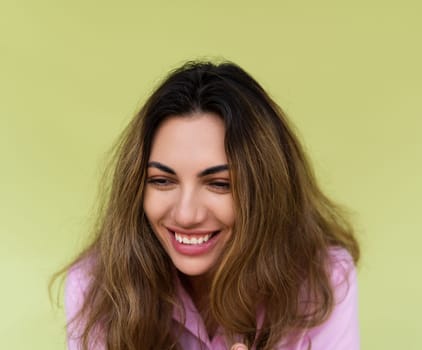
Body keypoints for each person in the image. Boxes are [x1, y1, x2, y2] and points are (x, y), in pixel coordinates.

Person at [61, 61, 361, 349]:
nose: (186, 214)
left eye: (219, 184)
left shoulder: (324, 280)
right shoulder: (94, 288)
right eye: (162, 181)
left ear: (266, 191)